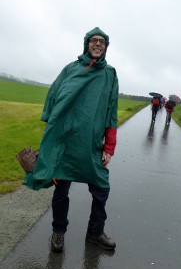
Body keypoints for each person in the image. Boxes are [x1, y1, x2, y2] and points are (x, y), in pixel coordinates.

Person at [23, 27, 119, 252]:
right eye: (93, 41)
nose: (97, 44)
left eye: (102, 42)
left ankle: (95, 233)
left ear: (105, 47)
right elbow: (53, 98)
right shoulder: (71, 69)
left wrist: (109, 146)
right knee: (61, 190)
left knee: (102, 189)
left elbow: (111, 111)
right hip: (65, 141)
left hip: (91, 144)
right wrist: (50, 136)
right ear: (86, 44)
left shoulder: (110, 74)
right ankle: (58, 232)